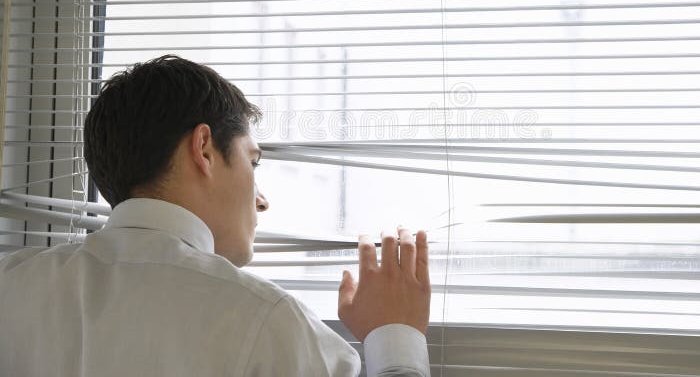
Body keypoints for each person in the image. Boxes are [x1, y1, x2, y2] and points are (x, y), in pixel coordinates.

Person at [0, 55, 431, 376]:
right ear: (204, 149)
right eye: (253, 162)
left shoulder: (11, 285)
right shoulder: (268, 322)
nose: (261, 200)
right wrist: (396, 337)